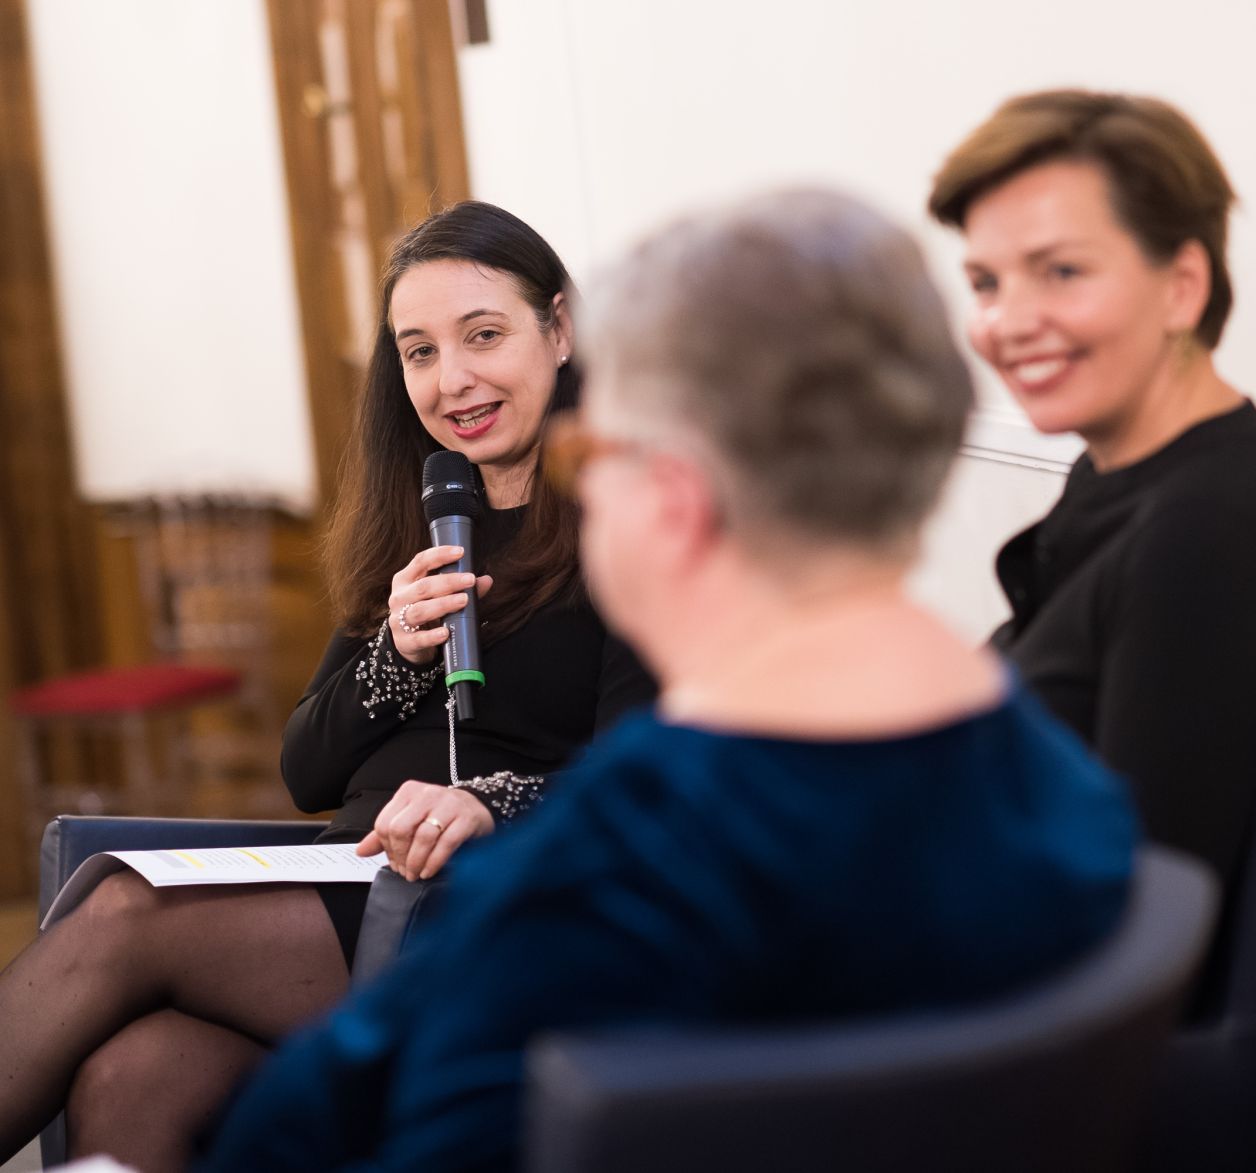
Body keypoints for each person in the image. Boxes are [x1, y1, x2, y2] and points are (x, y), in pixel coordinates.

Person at [194, 187, 1139, 1172]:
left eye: (591, 456)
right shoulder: (1067, 796)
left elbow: (286, 1139)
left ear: (674, 496)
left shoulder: (613, 862)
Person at [0, 201, 653, 1173]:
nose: (452, 380)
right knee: (135, 1072)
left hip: (487, 909)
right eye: (418, 352)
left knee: (125, 912)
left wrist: (485, 801)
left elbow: (640, 779)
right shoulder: (427, 516)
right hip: (351, 879)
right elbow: (306, 768)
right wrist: (396, 652)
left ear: (558, 327)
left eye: (483, 336)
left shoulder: (631, 517)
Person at [928, 90, 1256, 915]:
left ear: (1182, 287)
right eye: (986, 282)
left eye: (1063, 272)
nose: (1008, 322)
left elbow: (1131, 908)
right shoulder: (1116, 474)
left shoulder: (1205, 532)